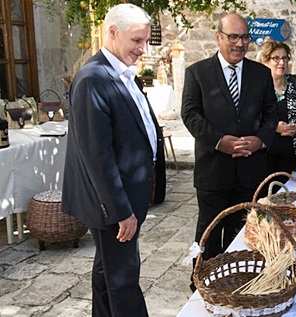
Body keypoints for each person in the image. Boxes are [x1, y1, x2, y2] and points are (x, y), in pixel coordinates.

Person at [61, 4, 166, 316]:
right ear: (111, 33)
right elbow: (97, 155)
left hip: (126, 196)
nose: (142, 49)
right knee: (123, 278)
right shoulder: (93, 78)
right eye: (136, 41)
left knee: (108, 271)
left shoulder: (121, 71)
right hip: (112, 203)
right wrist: (121, 210)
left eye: (146, 41)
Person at [181, 13, 277, 290]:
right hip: (213, 171)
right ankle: (201, 287)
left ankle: (237, 286)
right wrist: (219, 141)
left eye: (244, 37)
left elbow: (271, 112)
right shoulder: (197, 73)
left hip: (250, 171)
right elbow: (190, 114)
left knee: (242, 236)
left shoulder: (261, 74)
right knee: (208, 235)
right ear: (218, 38)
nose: (239, 43)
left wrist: (260, 140)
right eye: (233, 37)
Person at [261, 41, 296, 187]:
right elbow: (250, 118)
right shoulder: (258, 86)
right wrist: (273, 127)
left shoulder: (295, 84)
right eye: (276, 58)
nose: (281, 62)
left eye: (285, 58)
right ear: (266, 60)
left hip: (292, 154)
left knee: (290, 197)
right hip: (264, 155)